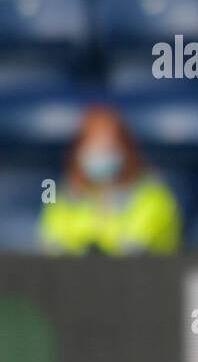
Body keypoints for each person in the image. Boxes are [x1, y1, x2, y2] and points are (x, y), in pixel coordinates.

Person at [39, 105, 182, 255]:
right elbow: (52, 242)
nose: (101, 152)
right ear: (78, 152)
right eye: (93, 146)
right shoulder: (60, 194)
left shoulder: (153, 194)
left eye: (109, 146)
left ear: (126, 149)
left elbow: (133, 248)